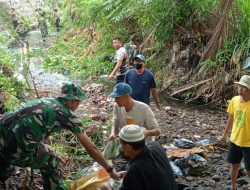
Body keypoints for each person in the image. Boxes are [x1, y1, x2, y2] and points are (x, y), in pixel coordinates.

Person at [0, 83, 120, 190]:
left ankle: (3, 167)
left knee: (21, 140)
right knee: (51, 160)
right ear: (73, 100)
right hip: (13, 148)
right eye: (79, 102)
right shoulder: (67, 115)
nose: (78, 105)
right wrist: (109, 169)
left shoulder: (46, 101)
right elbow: (91, 148)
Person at [99, 124, 177, 190]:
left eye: (122, 145)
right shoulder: (156, 145)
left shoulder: (135, 169)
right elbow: (152, 169)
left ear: (129, 147)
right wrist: (128, 173)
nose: (122, 148)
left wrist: (108, 188)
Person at [221, 75, 250, 190]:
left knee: (249, 169)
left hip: (248, 144)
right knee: (234, 166)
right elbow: (231, 119)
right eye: (239, 86)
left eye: (243, 87)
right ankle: (233, 186)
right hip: (234, 140)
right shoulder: (234, 100)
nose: (240, 89)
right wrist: (224, 135)